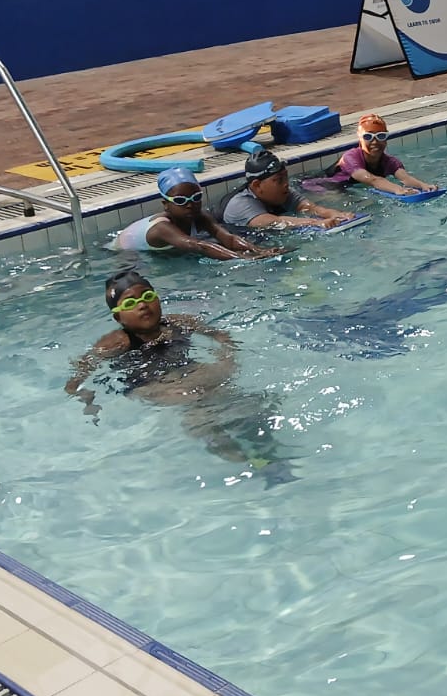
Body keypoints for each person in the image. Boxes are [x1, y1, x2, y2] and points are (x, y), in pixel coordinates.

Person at [65, 270, 291, 477]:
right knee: (199, 417)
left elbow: (220, 336)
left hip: (189, 373)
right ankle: (246, 462)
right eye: (131, 302)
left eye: (147, 297)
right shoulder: (116, 342)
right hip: (150, 385)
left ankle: (266, 451)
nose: (142, 305)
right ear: (118, 317)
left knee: (248, 405)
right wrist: (87, 400)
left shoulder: (179, 323)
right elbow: (80, 373)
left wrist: (227, 359)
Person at [115, 167, 279, 259]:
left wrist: (260, 251)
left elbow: (228, 238)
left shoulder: (199, 216)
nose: (190, 205)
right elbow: (197, 245)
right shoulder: (161, 229)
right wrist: (242, 259)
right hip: (123, 256)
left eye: (196, 197)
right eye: (180, 200)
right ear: (165, 205)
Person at [221, 150, 356, 230]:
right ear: (257, 185)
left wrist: (336, 214)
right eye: (279, 180)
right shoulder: (240, 204)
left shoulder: (281, 192)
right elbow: (274, 222)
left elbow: (309, 207)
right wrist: (317, 223)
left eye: (286, 177)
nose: (286, 184)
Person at [326, 114, 440, 196]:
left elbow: (405, 178)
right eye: (368, 137)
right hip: (327, 187)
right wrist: (397, 189)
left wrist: (423, 186)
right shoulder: (350, 158)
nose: (375, 142)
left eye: (380, 136)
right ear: (360, 139)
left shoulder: (390, 162)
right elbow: (372, 180)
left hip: (351, 188)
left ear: (386, 139)